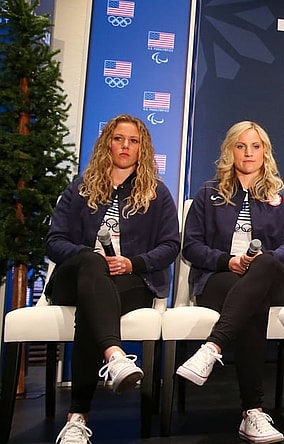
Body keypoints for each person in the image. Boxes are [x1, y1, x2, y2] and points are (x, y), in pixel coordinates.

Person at [45, 114, 180, 444]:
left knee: (93, 307)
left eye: (133, 141)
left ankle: (77, 417)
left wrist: (132, 263)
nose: (125, 146)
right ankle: (115, 356)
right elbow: (54, 241)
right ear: (107, 143)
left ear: (142, 149)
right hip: (74, 278)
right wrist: (89, 258)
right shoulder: (80, 187)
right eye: (119, 138)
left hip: (130, 280)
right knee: (93, 266)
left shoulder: (157, 194)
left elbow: (170, 245)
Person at [176, 121, 284, 443]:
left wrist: (260, 261)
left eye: (255, 146)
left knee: (265, 264)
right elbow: (191, 246)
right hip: (221, 278)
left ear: (265, 152)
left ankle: (212, 347)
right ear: (230, 151)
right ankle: (252, 413)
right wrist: (227, 261)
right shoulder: (208, 193)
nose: (248, 153)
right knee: (252, 304)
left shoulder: (281, 197)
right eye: (241, 146)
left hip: (271, 279)